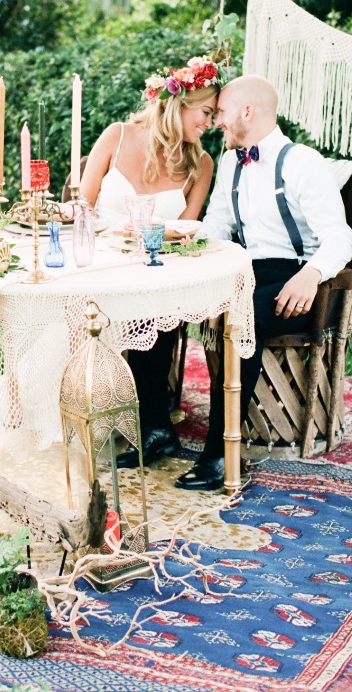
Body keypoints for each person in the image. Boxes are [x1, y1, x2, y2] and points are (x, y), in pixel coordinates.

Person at [176, 74, 352, 492]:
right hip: (245, 271)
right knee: (171, 297)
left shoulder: (301, 162)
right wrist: (190, 247)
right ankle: (154, 423)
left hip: (301, 280)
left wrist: (311, 274)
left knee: (246, 317)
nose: (217, 120)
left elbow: (339, 237)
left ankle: (220, 453)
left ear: (247, 111)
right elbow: (219, 223)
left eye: (221, 112)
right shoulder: (228, 161)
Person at [80, 56, 221, 468]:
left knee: (154, 300)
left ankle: (154, 426)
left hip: (153, 270)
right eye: (206, 112)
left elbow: (187, 230)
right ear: (180, 103)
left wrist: (156, 241)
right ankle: (117, 414)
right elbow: (82, 210)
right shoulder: (118, 136)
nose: (209, 124)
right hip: (98, 264)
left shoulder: (201, 163)